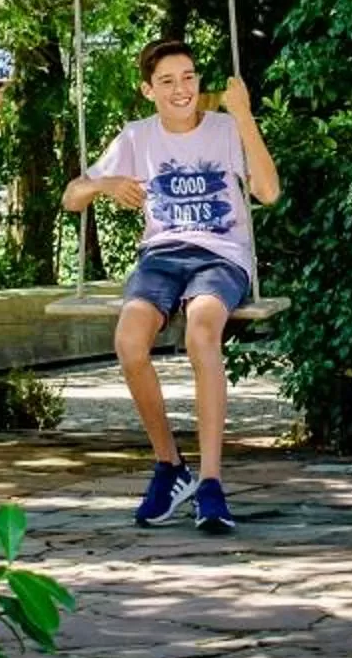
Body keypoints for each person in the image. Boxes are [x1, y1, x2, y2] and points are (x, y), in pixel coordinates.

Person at [63, 37, 279, 534]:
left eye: (189, 77)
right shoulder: (137, 138)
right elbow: (73, 197)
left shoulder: (226, 128)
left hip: (220, 256)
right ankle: (169, 465)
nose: (181, 89)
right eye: (167, 81)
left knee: (201, 333)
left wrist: (244, 115)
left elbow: (267, 192)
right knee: (128, 341)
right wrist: (104, 184)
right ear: (148, 90)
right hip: (161, 257)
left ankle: (209, 483)